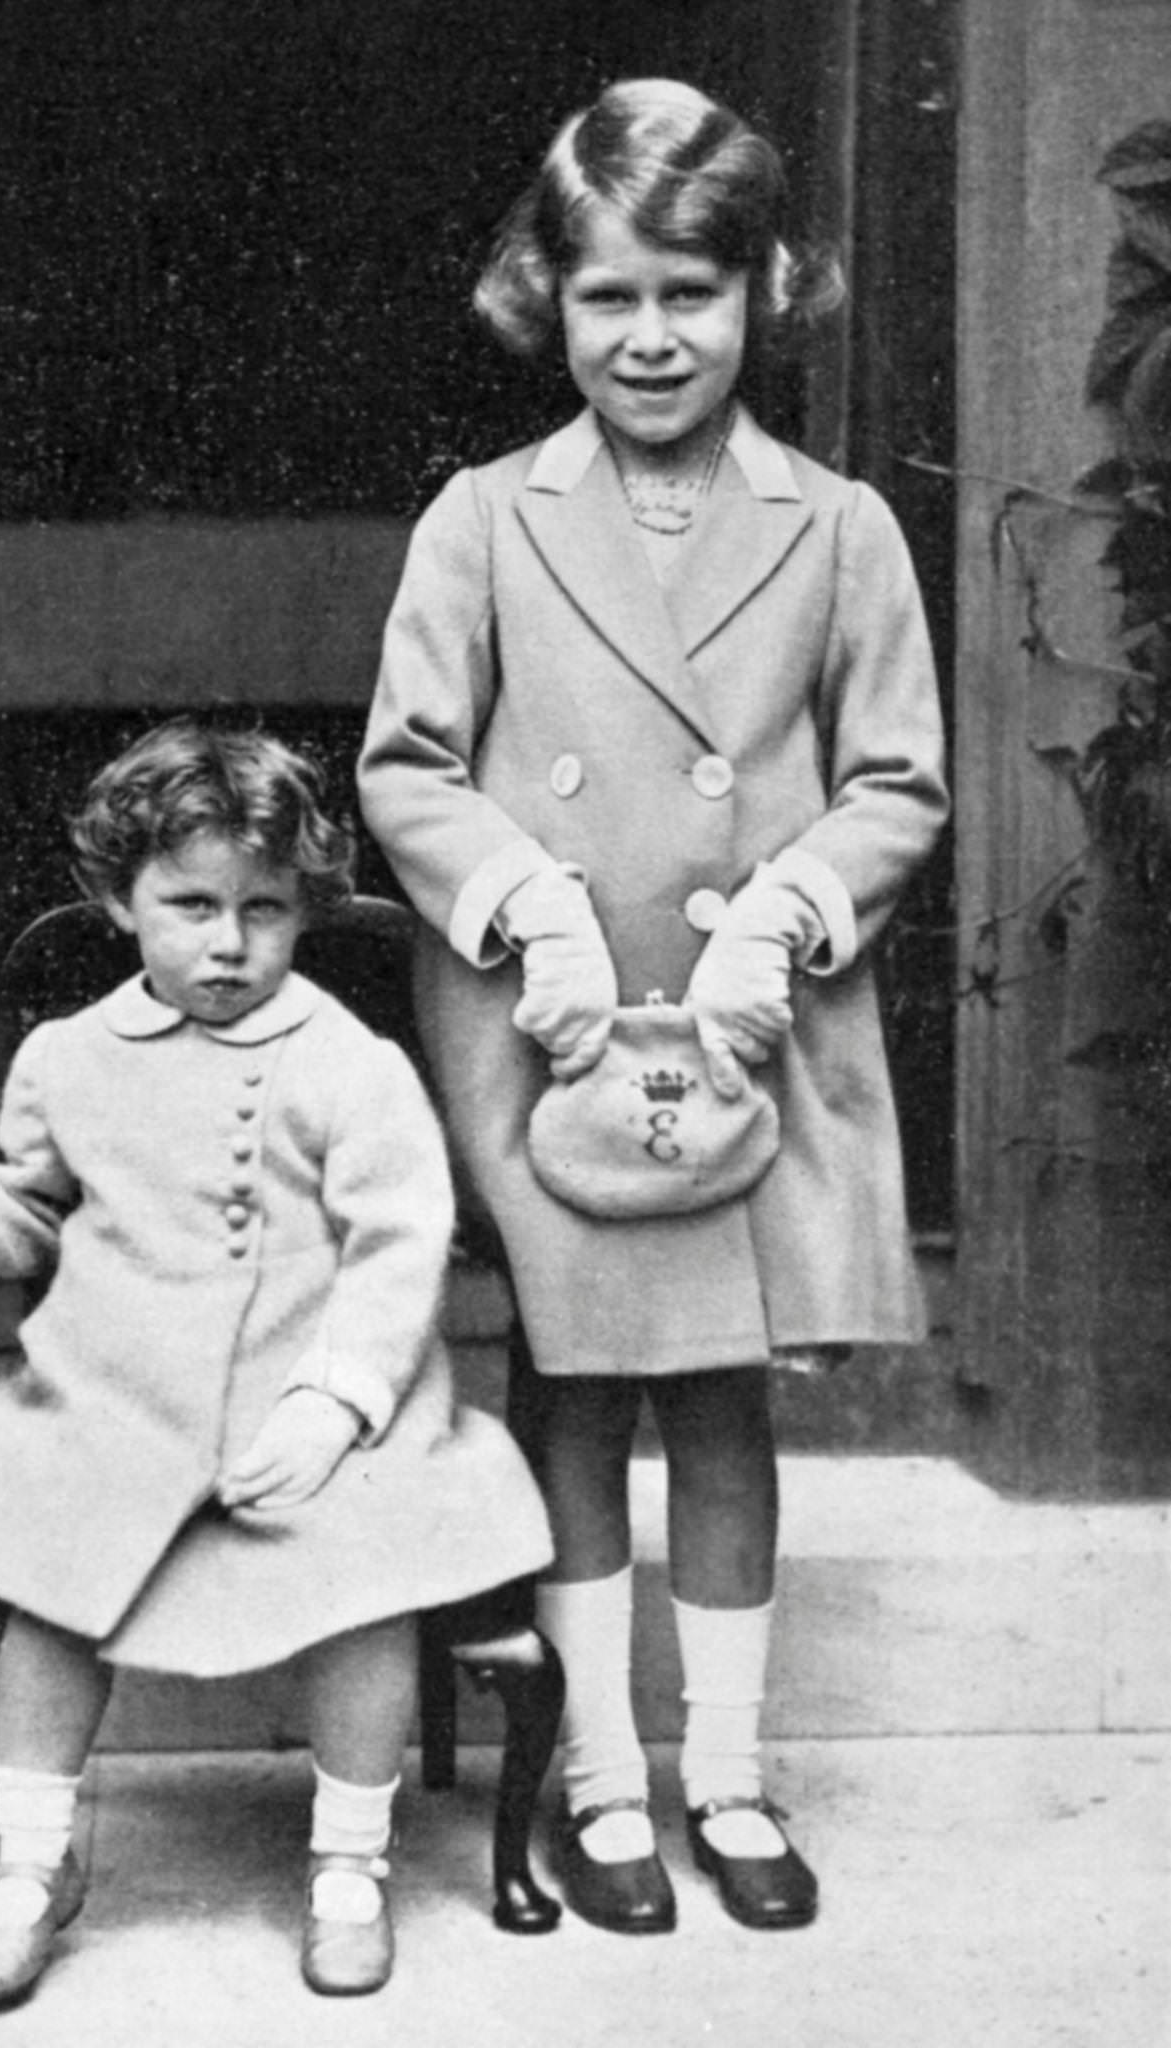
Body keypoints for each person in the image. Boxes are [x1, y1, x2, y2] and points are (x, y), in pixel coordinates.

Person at [358, 78, 948, 1937]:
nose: (650, 336)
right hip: (557, 1026)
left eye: (689, 292)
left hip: (744, 1023)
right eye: (609, 296)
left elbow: (897, 781)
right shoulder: (482, 520)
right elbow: (406, 762)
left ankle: (737, 1777)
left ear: (761, 288)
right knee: (581, 1386)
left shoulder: (841, 526)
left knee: (719, 1401)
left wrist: (791, 907)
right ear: (550, 296)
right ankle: (603, 1778)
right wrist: (519, 893)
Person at [0, 718, 553, 2005]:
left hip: (320, 1402)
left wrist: (337, 1398)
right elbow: (26, 1203)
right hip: (121, 1394)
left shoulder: (352, 1066)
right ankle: (29, 1862)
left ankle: (350, 1860)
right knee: (49, 1569)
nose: (227, 942)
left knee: (365, 1571)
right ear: (119, 899)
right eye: (188, 904)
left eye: (264, 909)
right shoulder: (68, 1057)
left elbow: (399, 1244)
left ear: (304, 912)